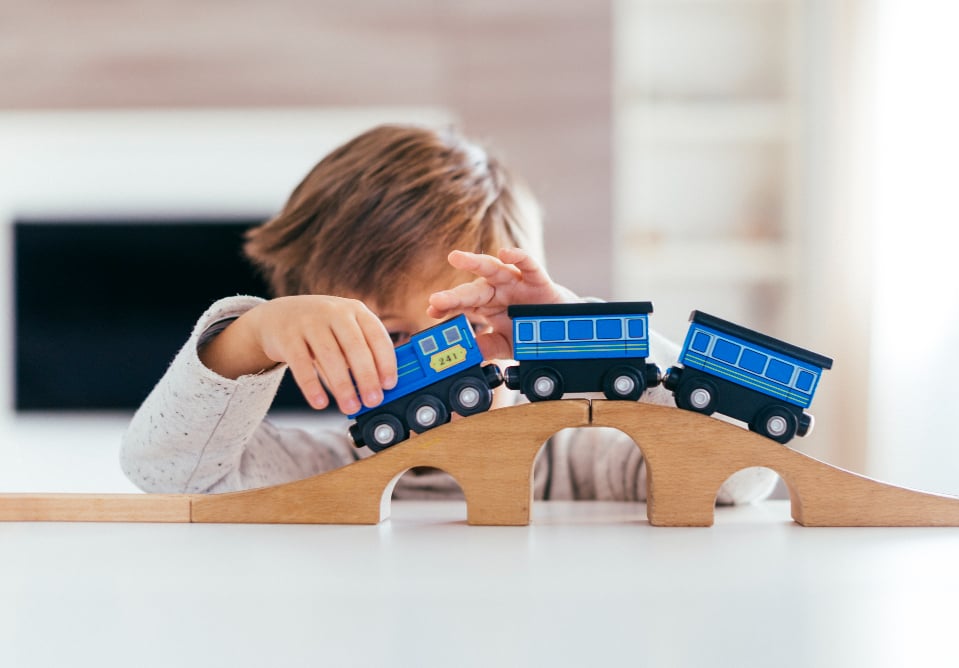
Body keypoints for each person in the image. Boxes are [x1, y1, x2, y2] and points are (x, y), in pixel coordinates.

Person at [120, 123, 777, 503]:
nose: (445, 364)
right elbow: (165, 473)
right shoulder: (324, 473)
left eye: (476, 328)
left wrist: (585, 333)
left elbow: (741, 475)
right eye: (389, 335)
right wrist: (252, 336)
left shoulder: (587, 461)